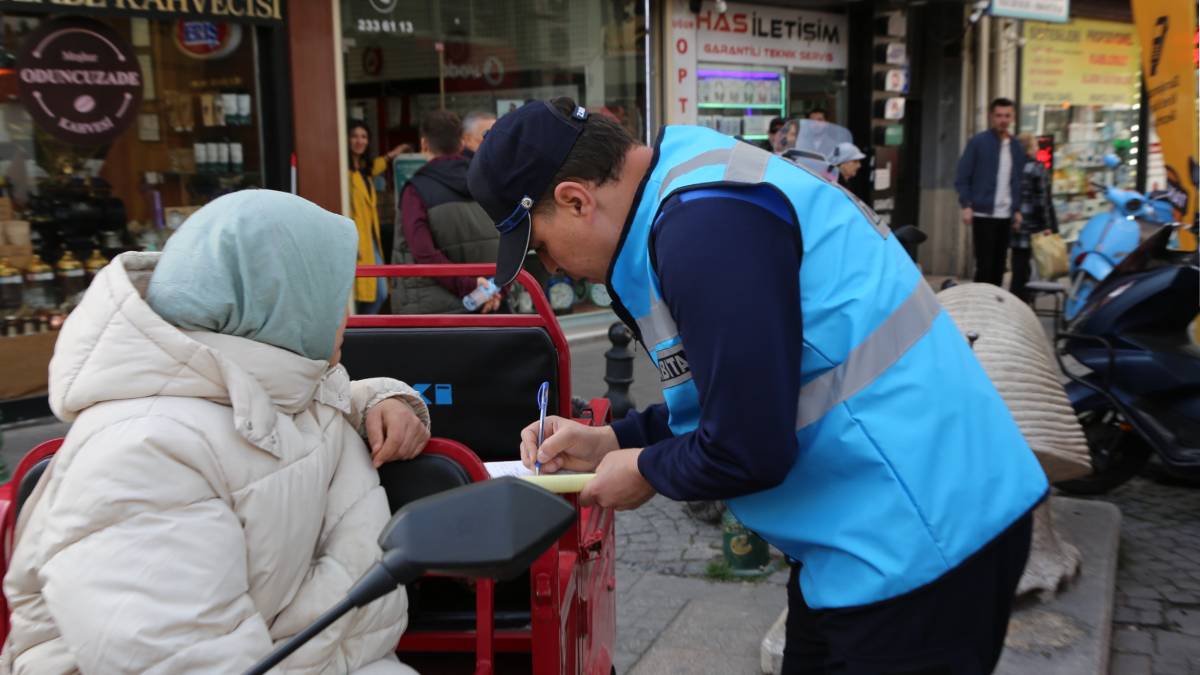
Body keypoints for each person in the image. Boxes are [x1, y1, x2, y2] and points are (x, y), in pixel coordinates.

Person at [468, 99, 1046, 674]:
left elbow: (747, 448)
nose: (551, 269)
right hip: (872, 532)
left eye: (539, 248)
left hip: (923, 538)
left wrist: (645, 471)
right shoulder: (691, 188)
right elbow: (735, 391)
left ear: (575, 199)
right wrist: (613, 440)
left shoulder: (702, 230)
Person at [2, 190, 431, 674]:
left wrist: (383, 399)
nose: (345, 315)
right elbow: (181, 660)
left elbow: (308, 408)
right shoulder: (142, 457)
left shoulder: (268, 385)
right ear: (280, 301)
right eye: (330, 292)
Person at [393, 110, 501, 314]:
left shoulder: (415, 191)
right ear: (461, 143)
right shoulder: (487, 183)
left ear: (424, 144)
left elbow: (423, 252)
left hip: (435, 316)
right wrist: (492, 291)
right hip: (491, 307)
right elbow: (509, 240)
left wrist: (470, 288)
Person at [956, 97, 1027, 286]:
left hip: (1006, 215)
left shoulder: (1016, 146)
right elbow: (963, 176)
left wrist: (1017, 209)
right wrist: (966, 205)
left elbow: (1018, 180)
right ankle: (980, 306)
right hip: (982, 212)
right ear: (991, 117)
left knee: (1000, 265)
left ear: (1013, 118)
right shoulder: (978, 143)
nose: (1003, 119)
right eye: (999, 115)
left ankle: (994, 307)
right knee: (984, 265)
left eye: (1007, 116)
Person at [349, 120, 408, 314]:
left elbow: (378, 164)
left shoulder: (365, 170)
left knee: (379, 292)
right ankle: (360, 331)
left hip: (370, 239)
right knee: (366, 294)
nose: (359, 141)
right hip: (357, 240)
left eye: (364, 137)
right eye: (355, 136)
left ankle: (361, 329)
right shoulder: (345, 172)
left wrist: (395, 152)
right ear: (347, 139)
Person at [1011, 133, 1058, 301]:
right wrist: (1047, 225)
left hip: (1016, 223)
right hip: (1033, 225)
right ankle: (1024, 297)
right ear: (1030, 148)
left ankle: (1016, 296)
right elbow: (1042, 200)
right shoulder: (1037, 168)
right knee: (1029, 264)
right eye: (1036, 146)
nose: (1038, 149)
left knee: (1018, 263)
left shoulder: (1013, 167)